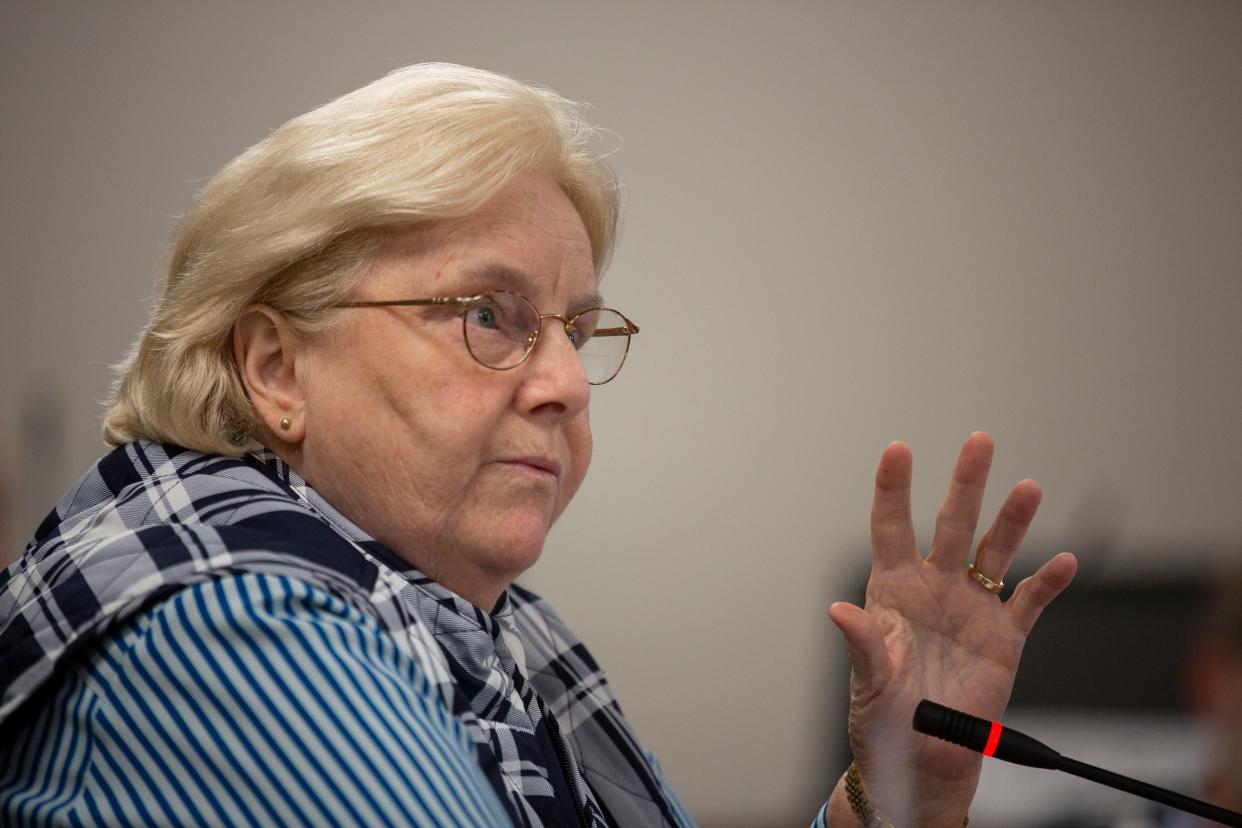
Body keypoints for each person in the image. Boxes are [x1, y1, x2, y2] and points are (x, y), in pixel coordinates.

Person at [0, 63, 1076, 826]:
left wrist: (896, 796)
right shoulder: (234, 625)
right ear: (277, 368)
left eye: (577, 328)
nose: (564, 382)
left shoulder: (470, 625)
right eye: (489, 315)